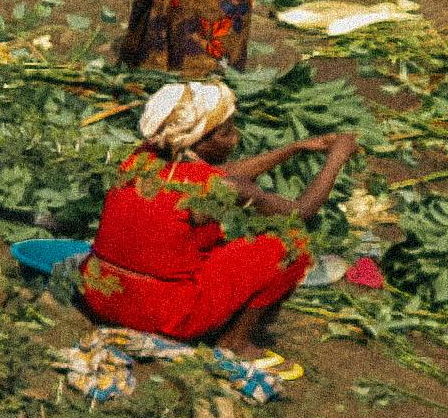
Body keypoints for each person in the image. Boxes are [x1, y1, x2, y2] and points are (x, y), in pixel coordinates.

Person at [76, 79, 353, 354]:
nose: (235, 138)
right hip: (160, 315)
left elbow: (227, 177)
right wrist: (336, 159)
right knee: (291, 243)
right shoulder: (215, 186)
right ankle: (235, 343)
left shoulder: (140, 159)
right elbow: (301, 212)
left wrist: (294, 148)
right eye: (226, 132)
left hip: (101, 294)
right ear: (199, 140)